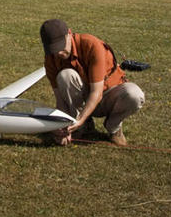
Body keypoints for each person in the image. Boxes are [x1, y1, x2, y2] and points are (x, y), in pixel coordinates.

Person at [40, 19, 145, 147]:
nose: (59, 53)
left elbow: (97, 93)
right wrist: (61, 127)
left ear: (69, 33)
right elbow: (61, 102)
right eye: (53, 49)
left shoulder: (91, 45)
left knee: (134, 95)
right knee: (65, 75)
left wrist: (80, 120)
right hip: (83, 99)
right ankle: (83, 127)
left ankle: (113, 127)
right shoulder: (51, 58)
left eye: (61, 46)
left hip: (107, 95)